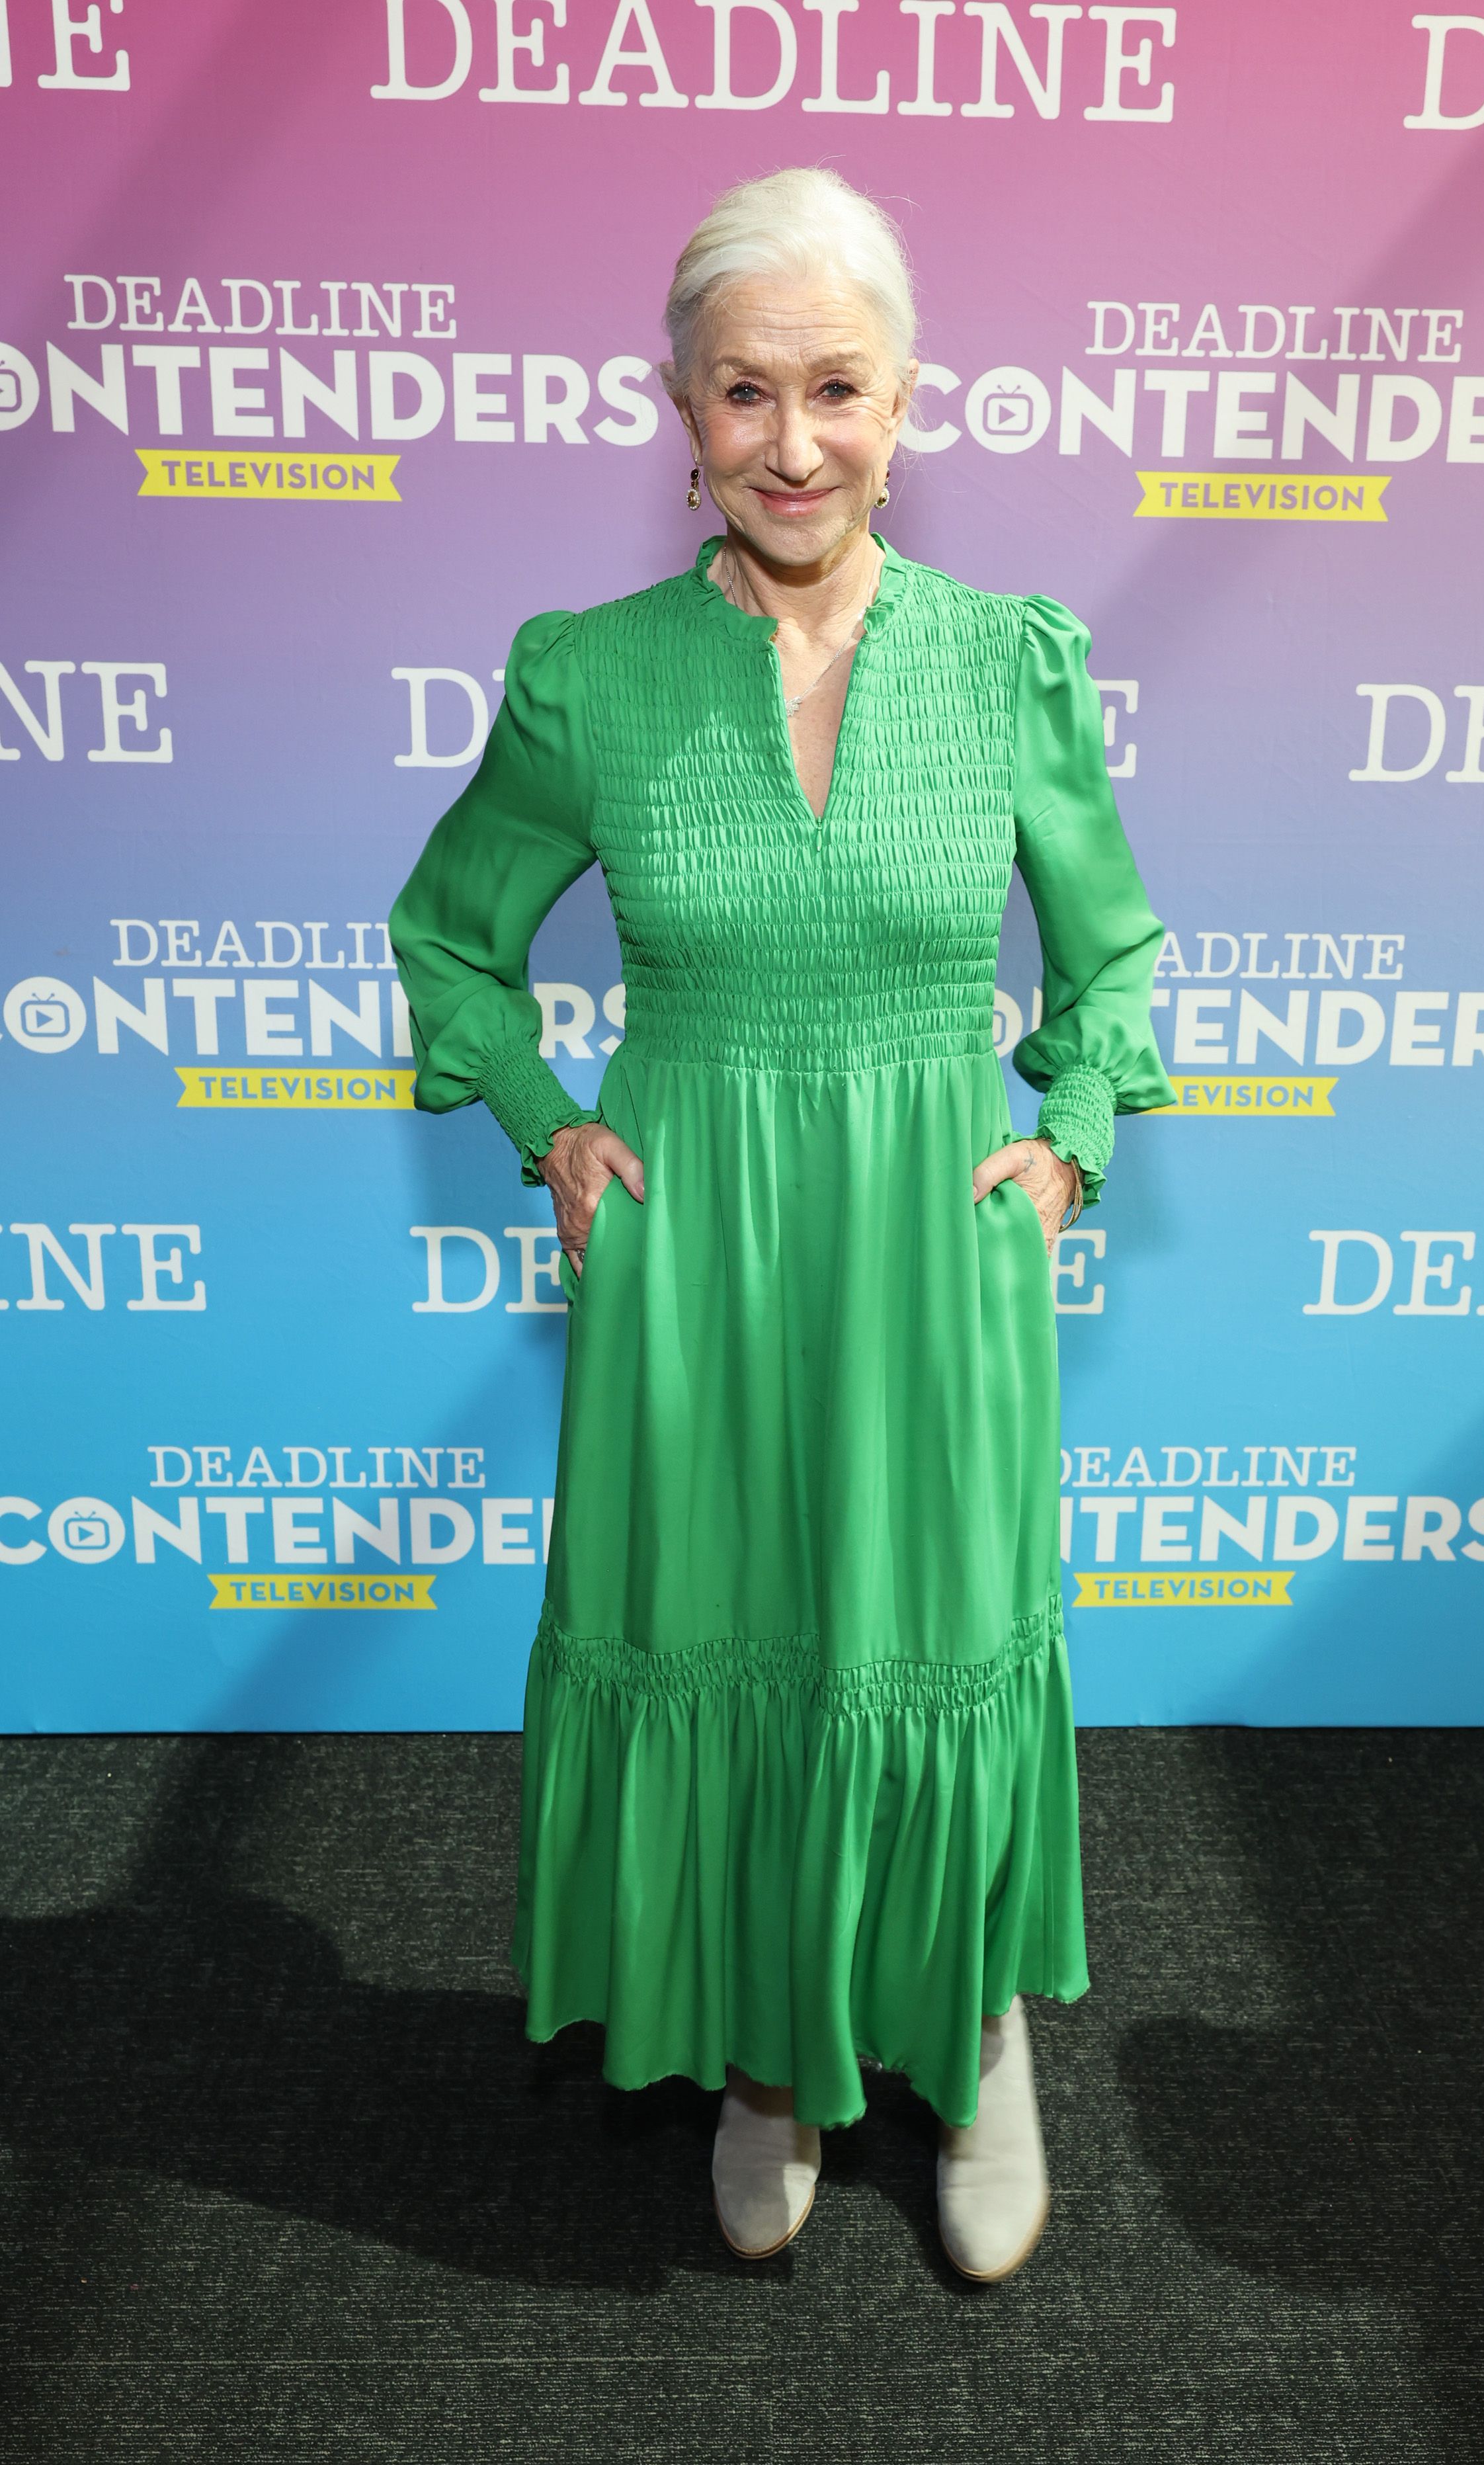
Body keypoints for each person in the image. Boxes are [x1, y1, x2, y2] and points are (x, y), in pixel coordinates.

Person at [390, 167, 1172, 2282]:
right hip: (696, 1252)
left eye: (838, 387)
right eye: (747, 392)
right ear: (682, 409)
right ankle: (759, 2055)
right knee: (732, 1646)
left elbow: (1114, 963)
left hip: (933, 1250)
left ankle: (971, 2025)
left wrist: (1071, 1136)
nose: (794, 439)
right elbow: (451, 942)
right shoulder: (592, 680)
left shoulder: (1013, 666)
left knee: (923, 1644)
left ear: (910, 403)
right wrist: (550, 1122)